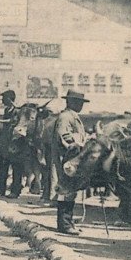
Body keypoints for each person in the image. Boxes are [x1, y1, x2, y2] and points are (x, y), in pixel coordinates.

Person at [53, 90, 88, 235]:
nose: (81, 105)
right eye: (78, 103)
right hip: (68, 158)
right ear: (71, 102)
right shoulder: (66, 117)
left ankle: (68, 222)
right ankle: (65, 224)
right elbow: (64, 135)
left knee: (70, 191)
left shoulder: (72, 116)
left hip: (73, 158)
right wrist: (77, 144)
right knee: (66, 190)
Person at [0, 89, 22, 198]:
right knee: (2, 165)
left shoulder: (17, 111)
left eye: (4, 98)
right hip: (6, 143)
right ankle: (0, 189)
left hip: (15, 144)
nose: (2, 100)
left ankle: (15, 191)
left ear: (9, 99)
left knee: (16, 168)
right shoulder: (7, 110)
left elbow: (12, 122)